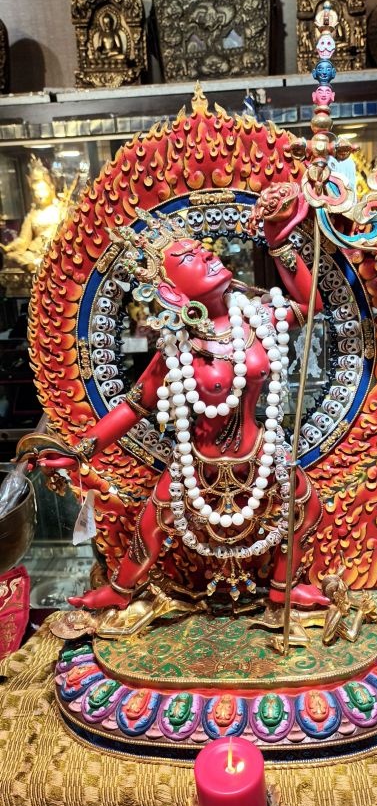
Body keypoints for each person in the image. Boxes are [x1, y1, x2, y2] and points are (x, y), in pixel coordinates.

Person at [37, 187, 328, 614]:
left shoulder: (259, 318)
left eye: (204, 250)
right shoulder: (178, 348)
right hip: (197, 465)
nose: (208, 255)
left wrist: (279, 241)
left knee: (307, 505)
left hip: (262, 455)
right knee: (154, 520)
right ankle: (120, 589)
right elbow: (132, 408)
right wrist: (80, 451)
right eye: (190, 258)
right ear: (173, 292)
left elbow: (309, 302)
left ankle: (285, 586)